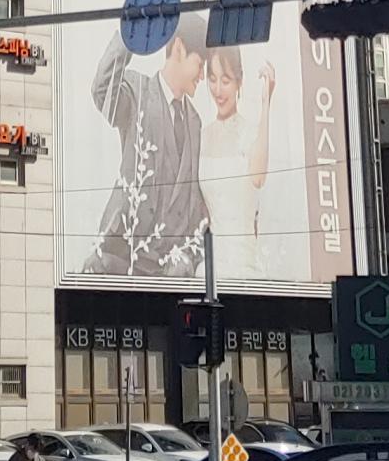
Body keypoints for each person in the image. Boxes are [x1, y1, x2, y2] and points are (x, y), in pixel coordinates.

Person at [87, 15, 207, 276]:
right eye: (200, 64)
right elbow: (102, 91)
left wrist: (189, 257)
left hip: (167, 274)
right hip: (120, 257)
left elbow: (195, 201)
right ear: (179, 49)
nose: (203, 76)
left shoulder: (195, 123)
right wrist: (131, 31)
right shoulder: (137, 92)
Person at [196, 48, 277, 282]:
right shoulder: (202, 136)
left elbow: (258, 177)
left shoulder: (250, 134)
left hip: (245, 265)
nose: (218, 90)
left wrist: (266, 102)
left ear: (239, 82)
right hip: (211, 266)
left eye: (226, 81)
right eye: (212, 79)